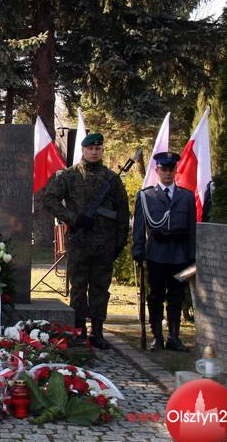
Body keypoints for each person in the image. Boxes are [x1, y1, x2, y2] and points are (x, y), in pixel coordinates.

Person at [42, 133, 129, 349]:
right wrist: (73, 218)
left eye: (98, 148)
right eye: (90, 148)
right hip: (79, 242)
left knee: (100, 288)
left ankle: (97, 332)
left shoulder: (112, 179)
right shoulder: (69, 176)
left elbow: (122, 211)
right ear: (83, 150)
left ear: (102, 150)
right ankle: (79, 330)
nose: (94, 152)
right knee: (78, 287)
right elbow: (49, 200)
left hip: (105, 244)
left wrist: (120, 242)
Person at [132, 151, 196, 352]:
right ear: (157, 170)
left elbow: (192, 229)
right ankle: (157, 337)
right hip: (156, 254)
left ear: (176, 170)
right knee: (155, 296)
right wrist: (138, 249)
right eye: (164, 169)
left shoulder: (186, 197)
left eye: (171, 169)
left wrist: (192, 255)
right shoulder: (146, 196)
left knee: (177, 296)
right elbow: (139, 227)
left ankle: (174, 337)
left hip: (179, 254)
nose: (167, 173)